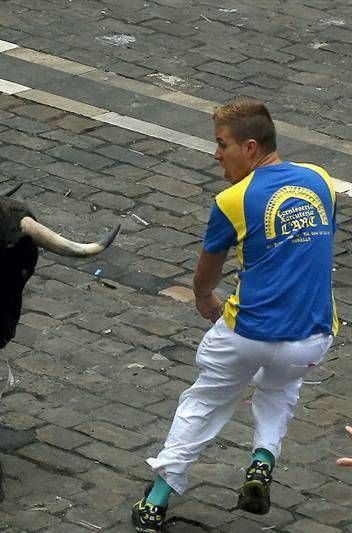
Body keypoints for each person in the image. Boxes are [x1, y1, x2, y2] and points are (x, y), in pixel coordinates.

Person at [131, 97, 337, 532]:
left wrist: (204, 297)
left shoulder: (232, 200)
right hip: (311, 337)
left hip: (246, 333)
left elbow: (207, 272)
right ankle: (262, 461)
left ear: (249, 147)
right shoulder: (320, 180)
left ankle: (156, 500)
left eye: (221, 144)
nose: (215, 155)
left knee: (205, 402)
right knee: (280, 390)